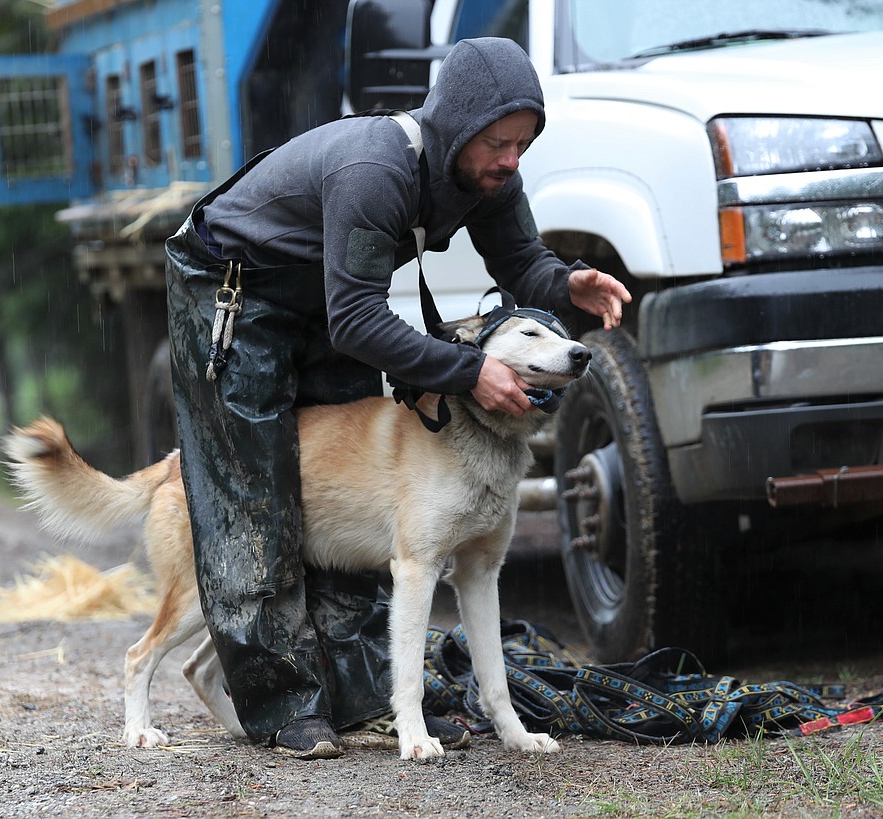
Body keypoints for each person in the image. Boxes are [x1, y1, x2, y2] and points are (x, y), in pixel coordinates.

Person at [164, 37, 632, 759]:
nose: (511, 160)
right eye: (499, 141)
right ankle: (281, 702)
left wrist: (567, 282)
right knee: (256, 493)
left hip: (329, 298)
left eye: (524, 144)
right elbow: (356, 319)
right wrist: (467, 371)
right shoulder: (375, 168)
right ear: (457, 124)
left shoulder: (488, 176)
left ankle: (359, 700)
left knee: (361, 484)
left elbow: (518, 259)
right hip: (233, 287)